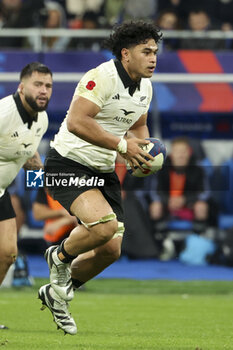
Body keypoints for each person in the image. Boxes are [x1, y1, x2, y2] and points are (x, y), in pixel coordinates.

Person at [38, 20, 162, 335]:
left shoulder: (145, 87)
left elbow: (137, 127)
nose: (153, 58)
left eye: (155, 52)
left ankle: (57, 293)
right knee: (104, 226)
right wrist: (123, 145)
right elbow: (78, 121)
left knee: (111, 250)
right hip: (68, 163)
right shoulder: (100, 77)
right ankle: (59, 255)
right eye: (145, 51)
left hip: (103, 169)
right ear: (125, 53)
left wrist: (143, 153)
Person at [0, 62, 53, 328]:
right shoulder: (3, 113)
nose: (44, 90)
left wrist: (39, 179)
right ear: (21, 87)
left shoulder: (41, 119)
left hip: (1, 191)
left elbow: (28, 153)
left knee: (7, 253)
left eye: (48, 86)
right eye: (38, 84)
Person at [148, 137, 211, 257]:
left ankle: (195, 243)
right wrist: (168, 201)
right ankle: (162, 243)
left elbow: (205, 193)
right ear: (172, 154)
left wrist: (185, 200)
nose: (181, 156)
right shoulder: (161, 169)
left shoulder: (198, 170)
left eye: (184, 152)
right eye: (177, 152)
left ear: (189, 153)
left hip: (189, 206)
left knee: (202, 207)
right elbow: (154, 192)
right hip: (167, 206)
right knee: (155, 207)